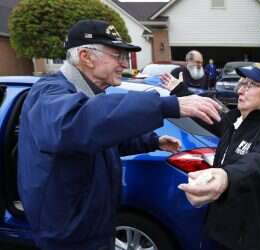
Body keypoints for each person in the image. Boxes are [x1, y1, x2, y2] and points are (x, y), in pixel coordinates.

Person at [17, 19, 221, 250]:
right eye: (117, 56)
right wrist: (166, 106)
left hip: (92, 225)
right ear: (86, 56)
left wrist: (152, 141)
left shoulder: (90, 94)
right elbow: (76, 125)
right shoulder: (48, 92)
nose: (124, 64)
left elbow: (101, 138)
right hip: (69, 233)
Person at [162, 63, 260, 250]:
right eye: (243, 83)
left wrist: (226, 175)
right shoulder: (235, 119)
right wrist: (180, 90)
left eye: (251, 85)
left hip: (243, 233)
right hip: (219, 220)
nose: (240, 90)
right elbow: (206, 113)